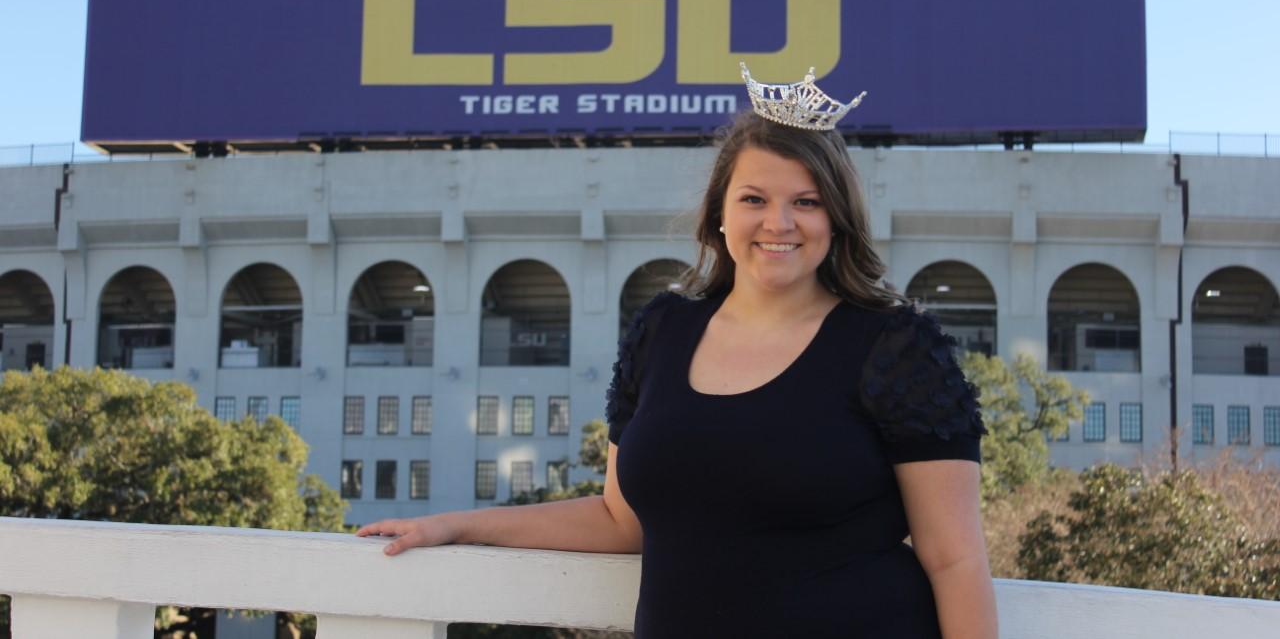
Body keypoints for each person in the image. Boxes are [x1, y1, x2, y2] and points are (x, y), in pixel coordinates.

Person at [357, 67, 997, 638]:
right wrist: (457, 526)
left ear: (837, 219)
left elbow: (955, 559)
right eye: (754, 199)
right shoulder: (663, 331)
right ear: (720, 213)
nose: (779, 223)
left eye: (806, 202)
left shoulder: (895, 348)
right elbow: (619, 521)